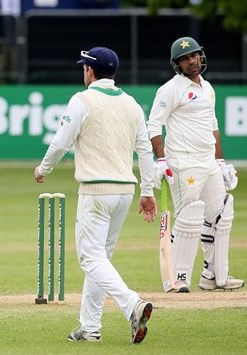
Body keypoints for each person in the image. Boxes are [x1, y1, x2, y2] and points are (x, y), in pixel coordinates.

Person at [34, 47, 157, 344]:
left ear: (90, 71)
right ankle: (90, 328)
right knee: (100, 259)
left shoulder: (82, 100)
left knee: (91, 258)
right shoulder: (131, 104)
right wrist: (148, 190)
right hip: (125, 192)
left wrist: (43, 168)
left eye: (84, 68)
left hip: (96, 190)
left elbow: (61, 141)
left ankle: (132, 304)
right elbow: (145, 150)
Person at [147, 36, 244, 292]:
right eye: (186, 58)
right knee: (189, 217)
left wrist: (221, 161)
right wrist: (161, 159)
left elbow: (213, 126)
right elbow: (154, 124)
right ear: (177, 64)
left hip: (208, 163)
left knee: (221, 216)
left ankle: (213, 276)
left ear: (201, 55)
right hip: (183, 163)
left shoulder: (208, 88)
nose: (192, 61)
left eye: (195, 55)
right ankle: (178, 279)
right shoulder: (170, 89)